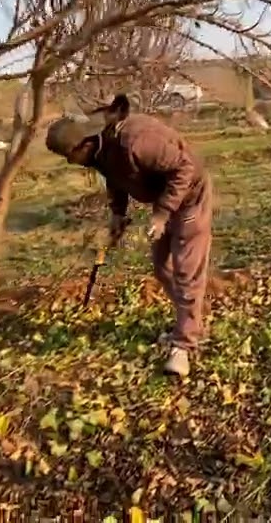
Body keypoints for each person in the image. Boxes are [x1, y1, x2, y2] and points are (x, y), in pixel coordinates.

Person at [44, 94, 213, 377]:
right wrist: (117, 214)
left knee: (186, 271)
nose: (71, 162)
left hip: (191, 197)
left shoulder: (135, 142)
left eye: (70, 155)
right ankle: (192, 322)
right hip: (166, 198)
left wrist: (162, 214)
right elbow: (116, 178)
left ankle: (184, 345)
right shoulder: (102, 152)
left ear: (84, 143)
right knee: (162, 267)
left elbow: (185, 167)